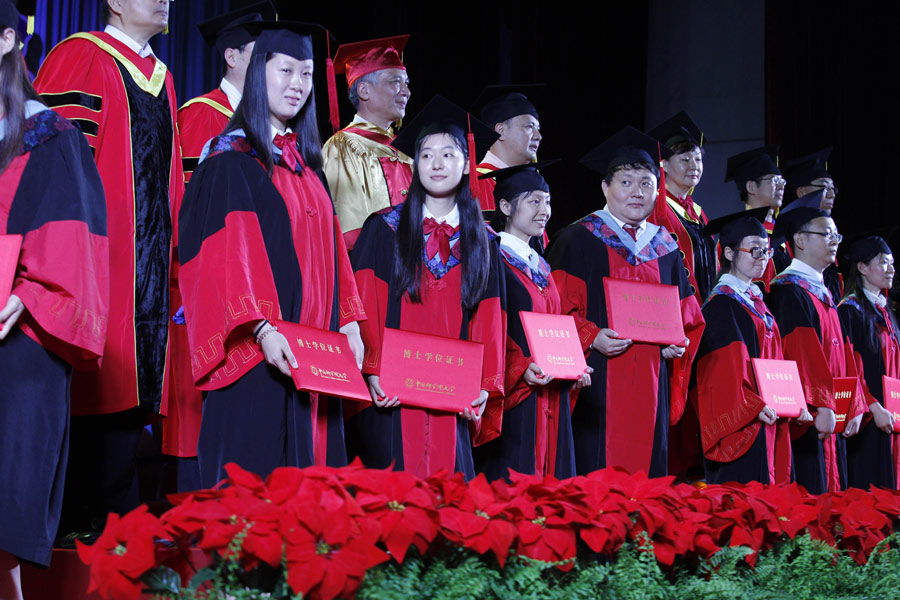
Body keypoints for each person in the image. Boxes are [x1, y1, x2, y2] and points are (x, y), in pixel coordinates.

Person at [177, 24, 366, 488]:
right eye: (285, 71)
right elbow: (223, 256)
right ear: (257, 75)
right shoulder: (230, 159)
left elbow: (333, 255)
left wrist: (349, 322)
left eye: (306, 74)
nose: (298, 85)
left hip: (315, 356)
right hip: (261, 356)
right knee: (257, 495)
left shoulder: (306, 167)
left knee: (312, 498)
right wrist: (261, 328)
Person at [34, 0, 184, 534]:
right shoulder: (80, 56)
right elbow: (55, 168)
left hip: (149, 263)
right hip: (97, 259)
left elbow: (170, 180)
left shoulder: (162, 79)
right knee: (93, 379)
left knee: (135, 383)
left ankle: (116, 520)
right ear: (115, 3)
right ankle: (76, 519)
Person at [0, 1, 108, 594]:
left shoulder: (49, 134)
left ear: (7, 40)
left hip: (19, 342)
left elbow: (76, 243)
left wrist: (30, 294)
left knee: (4, 517)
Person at [347, 95, 505, 480]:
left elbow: (490, 317)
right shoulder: (382, 229)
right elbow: (367, 300)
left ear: (467, 164)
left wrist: (485, 386)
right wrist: (372, 370)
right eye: (427, 154)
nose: (437, 164)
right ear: (414, 164)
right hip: (394, 395)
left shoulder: (483, 241)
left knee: (451, 504)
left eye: (449, 154)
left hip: (455, 395)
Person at [546, 126, 705, 477]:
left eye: (647, 183)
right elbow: (552, 310)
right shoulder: (577, 239)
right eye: (626, 182)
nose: (637, 192)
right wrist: (590, 336)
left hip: (653, 380)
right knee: (596, 474)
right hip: (597, 381)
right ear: (605, 187)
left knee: (648, 476)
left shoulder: (665, 248)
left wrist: (676, 343)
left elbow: (686, 315)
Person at [472, 162, 588, 481]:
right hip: (518, 394)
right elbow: (488, 326)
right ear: (506, 206)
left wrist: (573, 363)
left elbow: (556, 325)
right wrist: (519, 366)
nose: (544, 210)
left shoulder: (541, 265)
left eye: (547, 201)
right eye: (534, 201)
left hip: (550, 393)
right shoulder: (492, 259)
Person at [694, 210, 811, 485]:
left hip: (768, 418)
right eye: (754, 250)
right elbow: (721, 371)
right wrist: (750, 406)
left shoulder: (755, 301)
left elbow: (776, 361)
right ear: (730, 253)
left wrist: (794, 402)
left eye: (766, 251)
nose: (763, 259)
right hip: (745, 425)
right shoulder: (721, 304)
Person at [768, 207, 867, 493]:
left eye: (837, 234)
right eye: (827, 234)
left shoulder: (821, 291)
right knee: (811, 494)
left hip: (833, 414)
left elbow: (844, 353)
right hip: (809, 419)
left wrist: (854, 406)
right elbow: (801, 354)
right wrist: (821, 404)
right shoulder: (788, 291)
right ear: (800, 239)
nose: (835, 240)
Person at [323, 35, 413, 250]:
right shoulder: (342, 147)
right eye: (395, 82)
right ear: (364, 91)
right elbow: (349, 235)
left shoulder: (408, 149)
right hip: (369, 274)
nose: (406, 92)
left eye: (406, 83)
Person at [178, 1, 276, 183]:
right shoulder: (201, 113)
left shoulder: (268, 118)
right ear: (231, 57)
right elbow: (192, 192)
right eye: (259, 54)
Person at [838, 235, 899, 489]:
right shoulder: (849, 311)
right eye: (884, 262)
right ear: (862, 267)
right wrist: (874, 407)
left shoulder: (886, 313)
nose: (891, 269)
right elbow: (848, 366)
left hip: (892, 416)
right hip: (869, 421)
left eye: (892, 263)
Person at [647, 111, 716, 302]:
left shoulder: (699, 213)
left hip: (705, 310)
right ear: (665, 165)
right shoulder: (654, 209)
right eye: (685, 159)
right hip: (674, 306)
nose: (694, 165)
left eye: (698, 159)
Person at [472, 86, 544, 213]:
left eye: (538, 129)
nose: (538, 136)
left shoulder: (530, 185)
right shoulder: (477, 183)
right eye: (529, 127)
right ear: (501, 131)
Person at [784, 147, 842, 300]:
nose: (831, 194)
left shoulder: (828, 236)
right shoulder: (785, 238)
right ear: (801, 192)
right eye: (824, 187)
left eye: (833, 188)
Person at [724, 145, 785, 291]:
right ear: (751, 187)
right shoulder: (736, 234)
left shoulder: (784, 234)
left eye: (782, 181)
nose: (781, 187)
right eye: (774, 180)